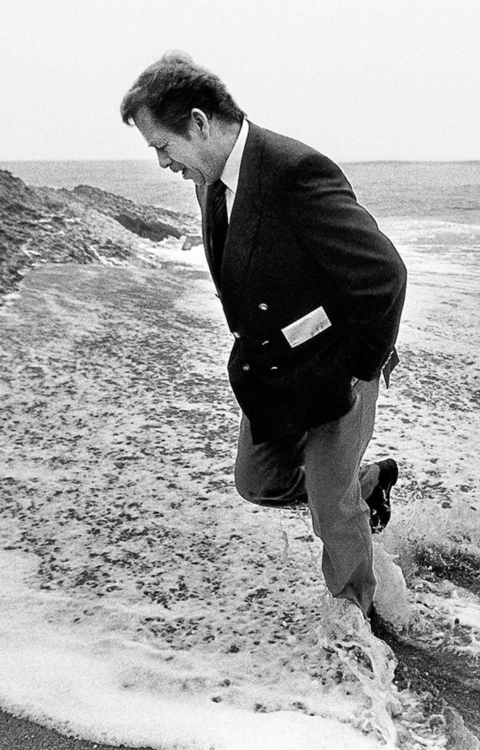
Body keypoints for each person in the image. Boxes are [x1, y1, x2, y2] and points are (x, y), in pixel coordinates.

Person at [120, 52, 407, 626]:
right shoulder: (212, 184)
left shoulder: (292, 170)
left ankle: (360, 623)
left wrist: (355, 370)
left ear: (199, 123)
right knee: (258, 482)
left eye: (161, 145)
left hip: (337, 366)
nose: (161, 161)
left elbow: (384, 275)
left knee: (329, 504)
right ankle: (367, 484)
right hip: (273, 371)